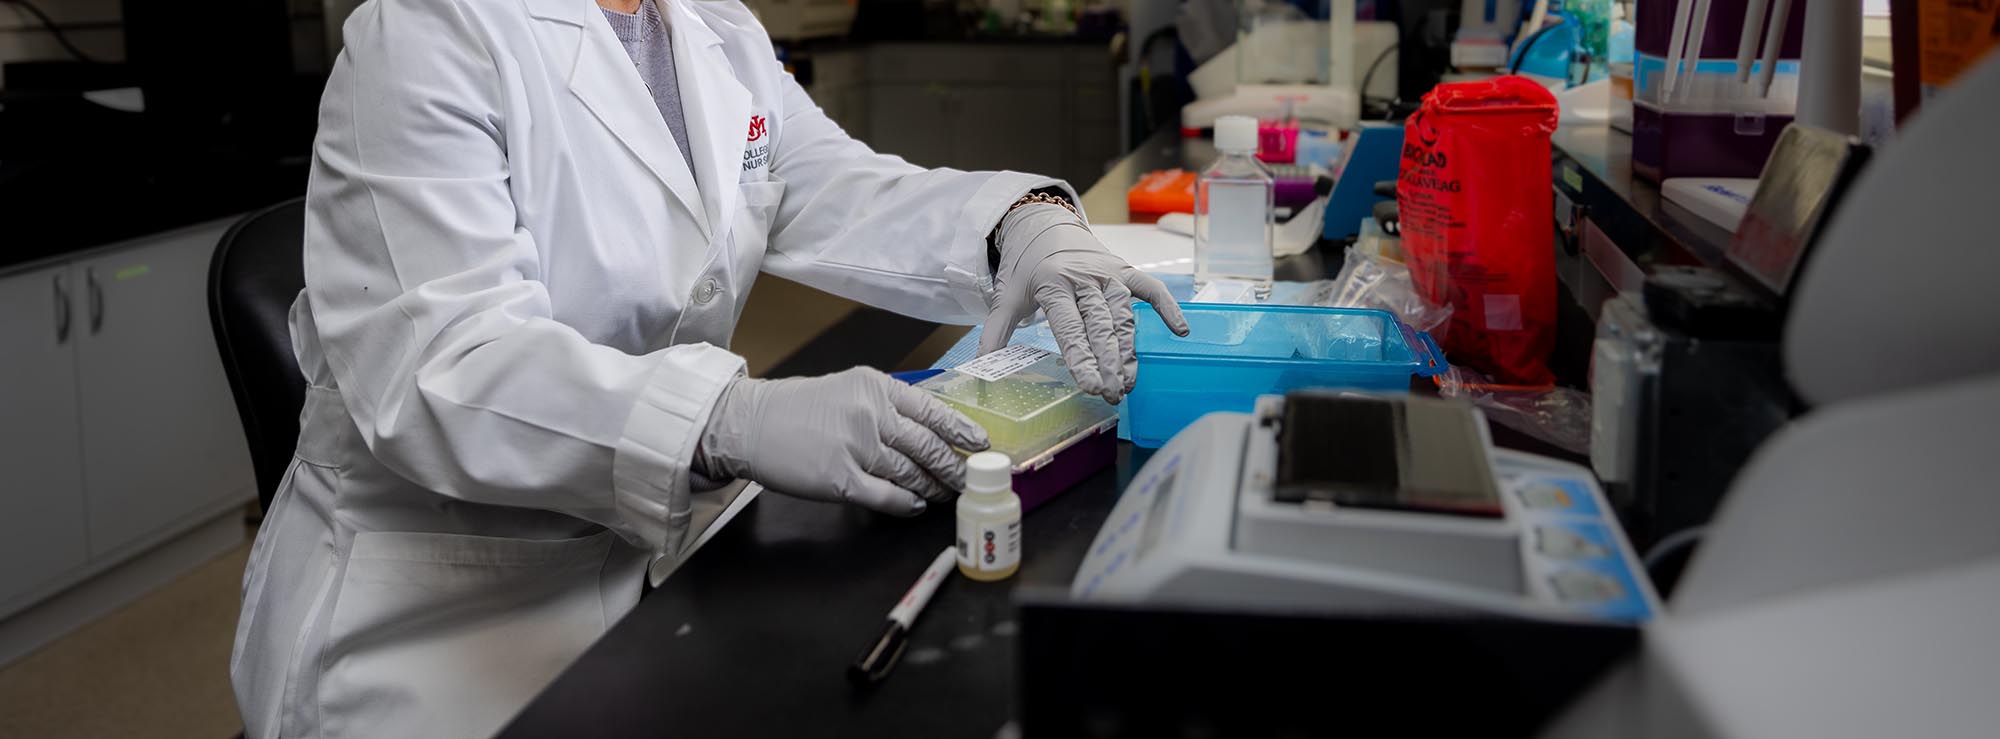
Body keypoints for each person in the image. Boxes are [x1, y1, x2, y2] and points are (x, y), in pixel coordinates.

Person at [229, 0, 1188, 735]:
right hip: (449, 606)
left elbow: (833, 182)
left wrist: (1018, 225)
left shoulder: (707, 23)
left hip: (654, 557)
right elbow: (447, 364)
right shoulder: (427, 34)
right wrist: (726, 421)